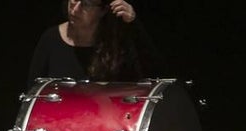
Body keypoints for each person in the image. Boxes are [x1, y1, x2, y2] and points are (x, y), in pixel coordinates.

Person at [28, 0, 161, 82]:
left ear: (103, 10)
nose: (74, 9)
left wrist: (133, 23)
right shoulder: (50, 38)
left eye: (86, 4)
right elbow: (33, 92)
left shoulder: (115, 42)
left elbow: (152, 74)